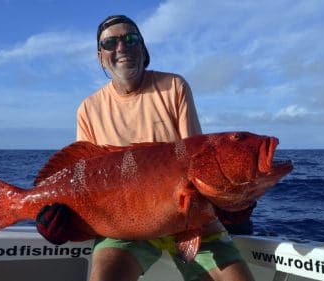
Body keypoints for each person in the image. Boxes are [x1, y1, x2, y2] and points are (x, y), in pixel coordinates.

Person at [36, 15, 256, 281]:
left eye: (130, 39)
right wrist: (61, 221)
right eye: (110, 42)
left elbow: (199, 162)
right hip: (126, 227)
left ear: (143, 47)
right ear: (99, 56)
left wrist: (230, 202)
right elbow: (83, 177)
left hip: (191, 219)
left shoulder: (174, 86)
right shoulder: (88, 109)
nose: (121, 47)